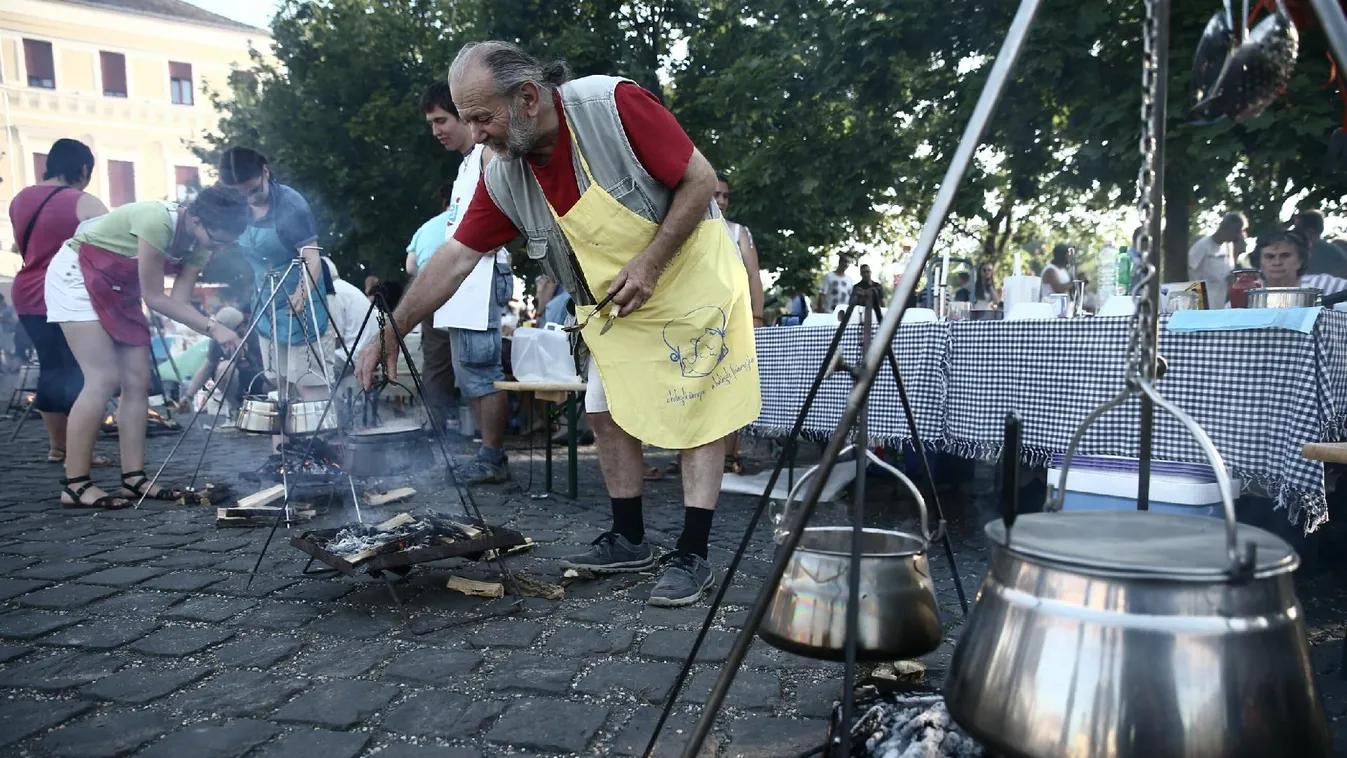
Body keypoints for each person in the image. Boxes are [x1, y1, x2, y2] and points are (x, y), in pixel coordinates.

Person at [357, 41, 761, 607]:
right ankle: (629, 537)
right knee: (602, 406)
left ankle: (692, 552)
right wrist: (391, 330)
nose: (474, 135)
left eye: (481, 117)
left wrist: (649, 263)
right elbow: (453, 258)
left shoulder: (613, 106)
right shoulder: (503, 176)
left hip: (690, 277)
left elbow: (699, 181)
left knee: (698, 411)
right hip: (615, 296)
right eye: (466, 119)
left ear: (526, 98)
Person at [46, 186, 248, 508]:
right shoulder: (158, 221)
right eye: (218, 239)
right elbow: (155, 298)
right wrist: (216, 328)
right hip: (77, 275)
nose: (220, 248)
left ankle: (134, 479)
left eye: (228, 242)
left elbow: (179, 302)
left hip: (119, 286)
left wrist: (215, 329)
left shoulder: (200, 244)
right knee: (103, 377)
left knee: (138, 380)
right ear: (196, 219)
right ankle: (75, 483)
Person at [414, 80, 513, 482]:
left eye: (441, 120)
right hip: (463, 282)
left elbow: (509, 211)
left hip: (482, 275)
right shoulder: (467, 162)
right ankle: (488, 454)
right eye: (431, 123)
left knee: (481, 369)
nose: (436, 130)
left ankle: (493, 457)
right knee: (468, 372)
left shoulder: (490, 154)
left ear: (463, 115)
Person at [218, 147, 334, 451]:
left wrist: (300, 294)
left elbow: (312, 257)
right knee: (278, 382)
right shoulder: (238, 208)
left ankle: (318, 452)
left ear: (265, 172)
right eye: (241, 192)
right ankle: (281, 455)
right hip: (267, 304)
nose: (250, 197)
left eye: (253, 189)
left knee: (310, 383)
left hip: (303, 303)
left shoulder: (291, 205)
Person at [8, 138, 111, 465]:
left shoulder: (20, 199)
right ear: (83, 169)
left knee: (52, 367)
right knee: (85, 373)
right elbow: (111, 252)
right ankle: (83, 452)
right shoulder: (85, 203)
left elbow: (21, 246)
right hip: (67, 294)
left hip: (26, 291)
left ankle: (58, 447)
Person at [178, 306, 264, 417]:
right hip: (238, 382)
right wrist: (189, 395)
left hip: (261, 379)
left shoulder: (256, 334)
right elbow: (207, 367)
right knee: (224, 368)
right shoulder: (219, 340)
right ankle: (237, 410)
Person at [714, 173, 764, 327]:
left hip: (734, 317)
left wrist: (757, 317)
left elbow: (754, 275)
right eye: (716, 195)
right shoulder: (689, 229)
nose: (722, 201)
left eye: (726, 196)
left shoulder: (738, 232)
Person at [1253, 228, 1347, 297]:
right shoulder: (1250, 290)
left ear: (1300, 260)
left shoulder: (1321, 284)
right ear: (1259, 262)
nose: (1277, 262)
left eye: (1285, 256)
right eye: (1270, 257)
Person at [325, 258, 375, 369]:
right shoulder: (344, 286)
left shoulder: (333, 292)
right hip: (369, 350)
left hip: (354, 355)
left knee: (314, 371)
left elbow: (337, 340)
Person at [1188, 212, 1245, 310]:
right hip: (1203, 302)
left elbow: (1229, 270)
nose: (1236, 236)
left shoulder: (1229, 246)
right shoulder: (1202, 246)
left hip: (1220, 302)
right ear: (1226, 228)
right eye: (1235, 232)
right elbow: (1189, 270)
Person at [1291, 210, 1347, 278]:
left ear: (1310, 231)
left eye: (1298, 229)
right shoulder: (1332, 250)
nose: (1294, 232)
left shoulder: (1324, 250)